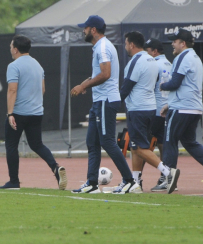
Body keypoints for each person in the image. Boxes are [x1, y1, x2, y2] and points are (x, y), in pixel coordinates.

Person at [70, 15, 140, 194]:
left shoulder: (101, 46)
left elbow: (106, 73)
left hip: (105, 100)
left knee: (107, 141)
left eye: (85, 28)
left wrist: (83, 85)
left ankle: (130, 181)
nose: (83, 31)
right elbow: (101, 74)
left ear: (93, 30)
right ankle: (92, 183)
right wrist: (88, 82)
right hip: (100, 100)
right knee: (92, 142)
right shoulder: (101, 46)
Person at [0, 35, 67, 190]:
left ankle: (14, 181)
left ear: (15, 49)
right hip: (36, 113)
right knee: (37, 144)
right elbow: (42, 89)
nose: (10, 49)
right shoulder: (38, 65)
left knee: (11, 145)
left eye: (11, 46)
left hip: (18, 113)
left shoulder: (14, 66)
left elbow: (12, 89)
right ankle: (55, 167)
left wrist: (10, 114)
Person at [119, 31, 177, 193]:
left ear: (131, 44)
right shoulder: (153, 60)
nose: (125, 47)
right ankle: (136, 182)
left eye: (125, 44)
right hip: (152, 107)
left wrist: (114, 104)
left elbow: (127, 85)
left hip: (138, 108)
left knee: (138, 148)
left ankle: (168, 172)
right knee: (138, 145)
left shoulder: (136, 60)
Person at [157, 28, 203, 194]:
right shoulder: (196, 58)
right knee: (190, 143)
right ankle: (169, 178)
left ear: (183, 43)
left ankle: (168, 178)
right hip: (194, 108)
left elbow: (175, 83)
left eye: (175, 41)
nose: (172, 44)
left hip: (182, 108)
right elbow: (188, 86)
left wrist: (161, 85)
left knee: (169, 141)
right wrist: (169, 104)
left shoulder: (183, 57)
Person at [143, 38, 173, 192]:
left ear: (154, 51)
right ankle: (167, 176)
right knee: (162, 143)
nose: (146, 53)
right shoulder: (169, 63)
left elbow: (148, 86)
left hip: (155, 110)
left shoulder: (154, 63)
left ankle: (135, 178)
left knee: (142, 145)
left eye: (147, 50)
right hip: (167, 108)